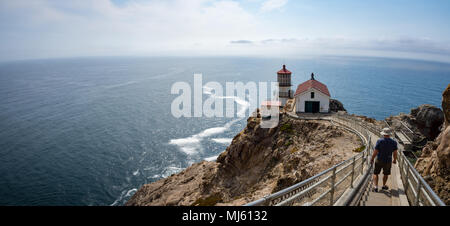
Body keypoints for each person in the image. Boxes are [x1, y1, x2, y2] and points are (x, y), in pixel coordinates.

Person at [370, 128, 398, 192]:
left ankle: (376, 187)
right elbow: (395, 152)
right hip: (388, 160)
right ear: (389, 134)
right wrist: (394, 160)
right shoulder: (393, 142)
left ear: (383, 134)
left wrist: (372, 158)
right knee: (386, 174)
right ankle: (383, 185)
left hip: (379, 159)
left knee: (376, 173)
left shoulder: (379, 141)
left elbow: (376, 151)